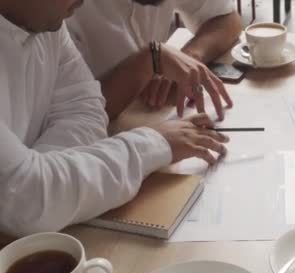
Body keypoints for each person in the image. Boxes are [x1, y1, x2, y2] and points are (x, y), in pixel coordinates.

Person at [0, 0, 229, 237]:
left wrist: (56, 184)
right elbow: (31, 200)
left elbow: (84, 107)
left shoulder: (47, 22)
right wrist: (154, 144)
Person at [66, 0, 241, 119]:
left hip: (152, 119)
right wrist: (149, 61)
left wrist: (189, 57)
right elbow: (72, 114)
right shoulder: (60, 10)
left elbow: (226, 18)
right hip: (95, 144)